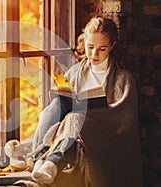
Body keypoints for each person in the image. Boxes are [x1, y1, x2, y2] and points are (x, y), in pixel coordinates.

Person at [24, 16, 143, 187]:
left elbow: (124, 120)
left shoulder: (123, 78)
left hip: (102, 132)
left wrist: (87, 112)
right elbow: (59, 109)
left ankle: (52, 162)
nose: (94, 54)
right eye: (90, 47)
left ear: (112, 46)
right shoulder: (75, 72)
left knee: (75, 118)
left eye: (102, 49)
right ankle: (39, 158)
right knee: (56, 106)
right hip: (72, 130)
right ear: (84, 42)